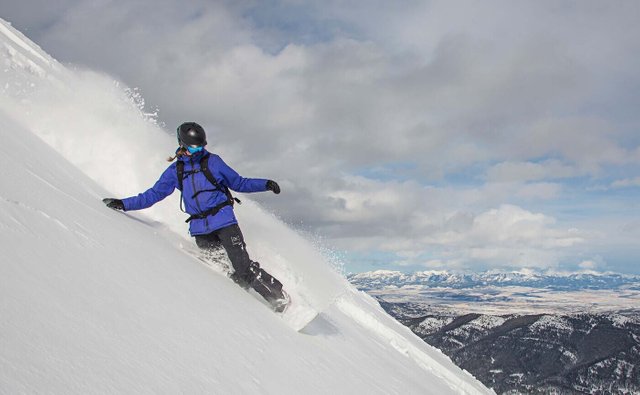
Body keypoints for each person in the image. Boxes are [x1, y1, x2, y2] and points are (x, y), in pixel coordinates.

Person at [102, 122, 289, 312]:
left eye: (201, 146)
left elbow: (239, 183)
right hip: (200, 229)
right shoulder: (176, 171)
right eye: (194, 146)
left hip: (224, 221)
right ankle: (248, 309)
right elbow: (153, 195)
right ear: (182, 144)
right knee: (224, 271)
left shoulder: (213, 162)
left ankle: (279, 298)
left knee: (242, 266)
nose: (199, 150)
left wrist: (265, 184)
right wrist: (124, 204)